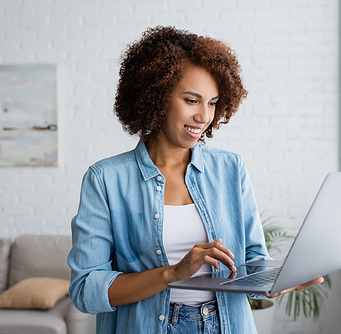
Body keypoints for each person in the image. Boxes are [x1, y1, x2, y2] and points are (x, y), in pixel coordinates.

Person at [68, 26, 323, 334]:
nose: (204, 116)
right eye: (192, 100)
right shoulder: (106, 179)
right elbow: (86, 289)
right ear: (157, 98)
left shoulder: (230, 168)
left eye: (213, 103)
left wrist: (278, 279)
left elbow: (253, 261)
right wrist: (174, 273)